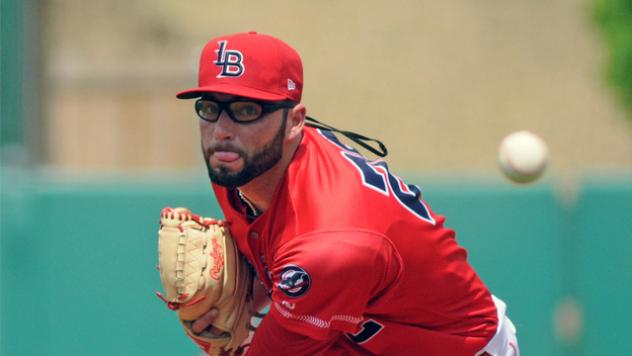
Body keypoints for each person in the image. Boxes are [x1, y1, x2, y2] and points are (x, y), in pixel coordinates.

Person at [175, 31, 519, 355]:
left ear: (295, 122)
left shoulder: (331, 243)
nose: (221, 130)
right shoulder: (241, 163)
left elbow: (316, 265)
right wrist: (252, 294)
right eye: (209, 108)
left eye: (246, 110)